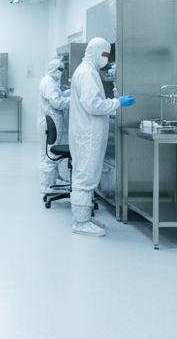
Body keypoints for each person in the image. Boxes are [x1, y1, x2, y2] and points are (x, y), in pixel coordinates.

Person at [68, 37, 134, 237]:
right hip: (87, 136)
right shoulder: (87, 72)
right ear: (97, 52)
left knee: (87, 177)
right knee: (85, 179)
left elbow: (93, 101)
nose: (106, 59)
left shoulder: (87, 70)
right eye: (105, 55)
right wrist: (117, 103)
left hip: (87, 133)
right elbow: (93, 105)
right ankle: (80, 222)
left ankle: (84, 217)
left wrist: (111, 102)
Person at [38, 58, 70, 193]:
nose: (62, 73)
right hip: (50, 122)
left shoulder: (49, 81)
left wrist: (63, 94)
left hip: (52, 121)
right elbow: (57, 103)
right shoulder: (48, 82)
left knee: (50, 152)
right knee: (49, 155)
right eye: (60, 69)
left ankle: (54, 179)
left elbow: (56, 98)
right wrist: (73, 99)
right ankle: (46, 186)